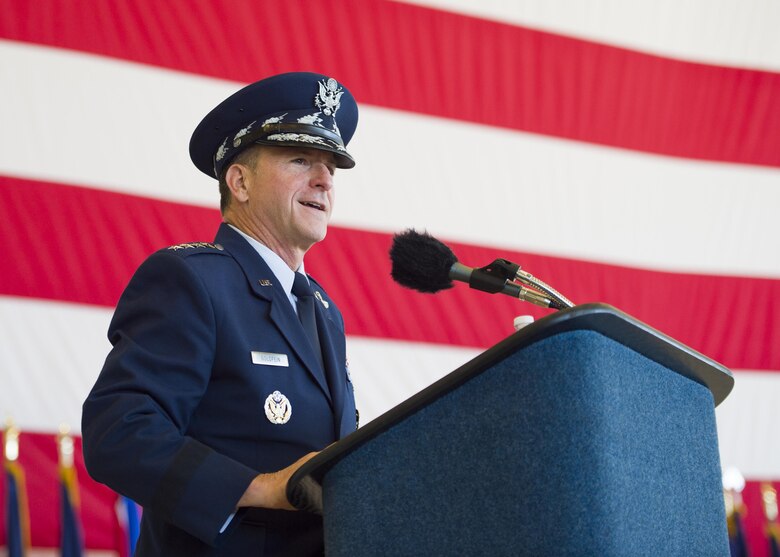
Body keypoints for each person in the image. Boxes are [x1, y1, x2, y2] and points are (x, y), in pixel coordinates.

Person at [81, 72, 359, 556]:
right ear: (240, 181)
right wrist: (262, 487)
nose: (324, 179)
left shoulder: (322, 309)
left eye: (331, 166)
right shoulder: (191, 280)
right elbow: (119, 431)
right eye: (301, 159)